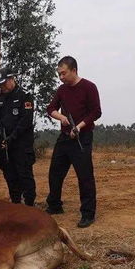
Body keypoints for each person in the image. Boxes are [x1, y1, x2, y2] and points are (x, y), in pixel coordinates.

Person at [45, 56, 101, 228]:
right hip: (64, 137)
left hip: (81, 138)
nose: (61, 77)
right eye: (59, 74)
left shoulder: (89, 87)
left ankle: (88, 213)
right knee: (55, 172)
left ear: (74, 70)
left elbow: (96, 112)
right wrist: (61, 117)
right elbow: (50, 109)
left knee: (85, 176)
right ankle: (54, 206)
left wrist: (79, 127)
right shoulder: (62, 90)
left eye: (64, 73)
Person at [0, 67, 36, 206]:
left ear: (12, 79)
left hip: (21, 145)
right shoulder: (0, 99)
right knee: (10, 176)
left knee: (25, 176)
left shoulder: (25, 96)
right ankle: (16, 204)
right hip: (7, 146)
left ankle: (29, 205)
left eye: (4, 83)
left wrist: (12, 137)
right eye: (0, 84)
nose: (2, 87)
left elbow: (26, 121)